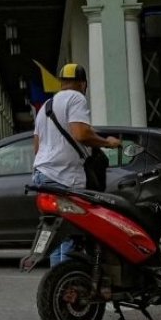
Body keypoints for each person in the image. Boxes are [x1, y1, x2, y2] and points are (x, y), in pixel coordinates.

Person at [31, 63, 121, 267]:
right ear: (83, 84)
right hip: (64, 176)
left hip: (43, 175)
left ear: (61, 83)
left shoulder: (46, 106)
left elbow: (37, 147)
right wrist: (107, 142)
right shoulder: (76, 98)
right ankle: (68, 289)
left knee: (55, 234)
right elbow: (80, 133)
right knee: (72, 234)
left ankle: (56, 286)